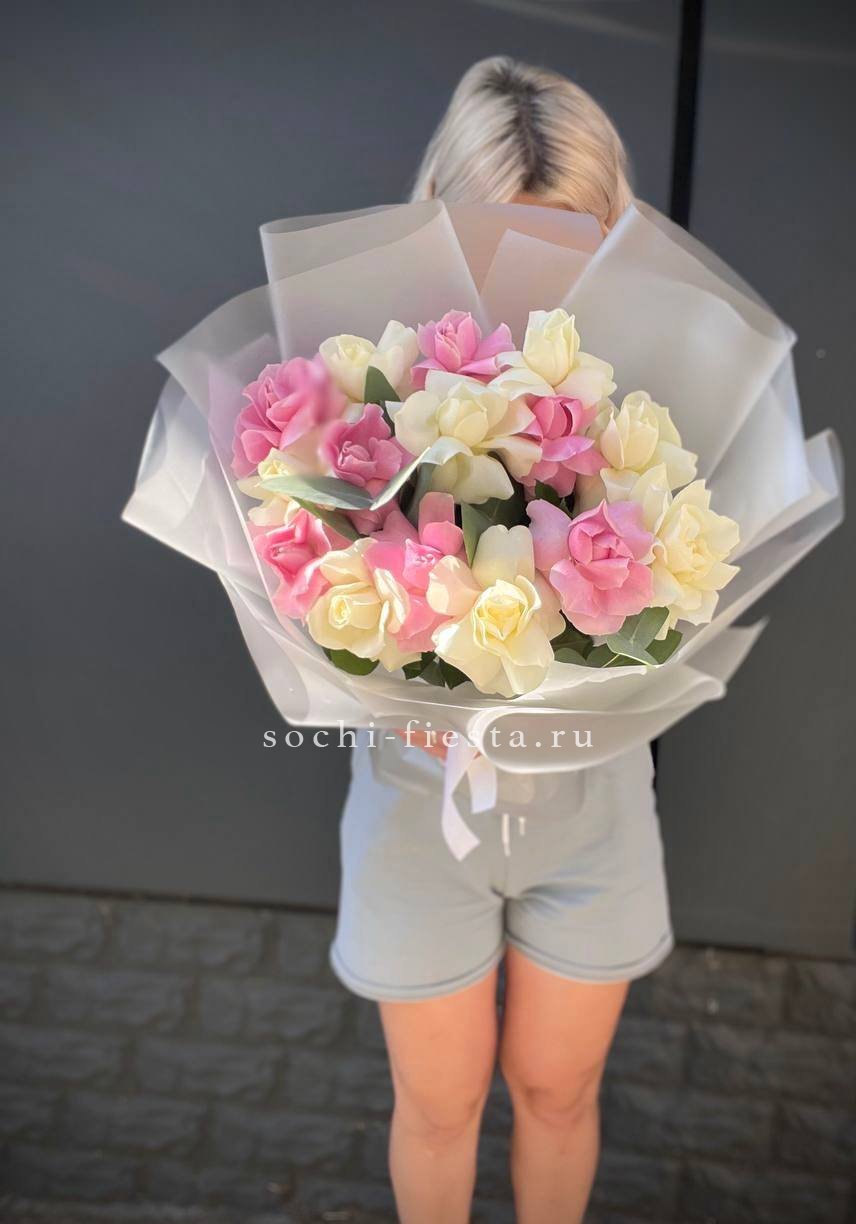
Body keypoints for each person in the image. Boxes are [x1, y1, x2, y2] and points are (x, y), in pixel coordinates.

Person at [329, 57, 671, 1224]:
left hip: (591, 800)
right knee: (437, 1108)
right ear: (438, 221)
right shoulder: (361, 375)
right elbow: (303, 572)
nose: (529, 289)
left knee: (558, 1094)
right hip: (419, 800)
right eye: (494, 252)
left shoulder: (660, 381)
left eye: (564, 253)